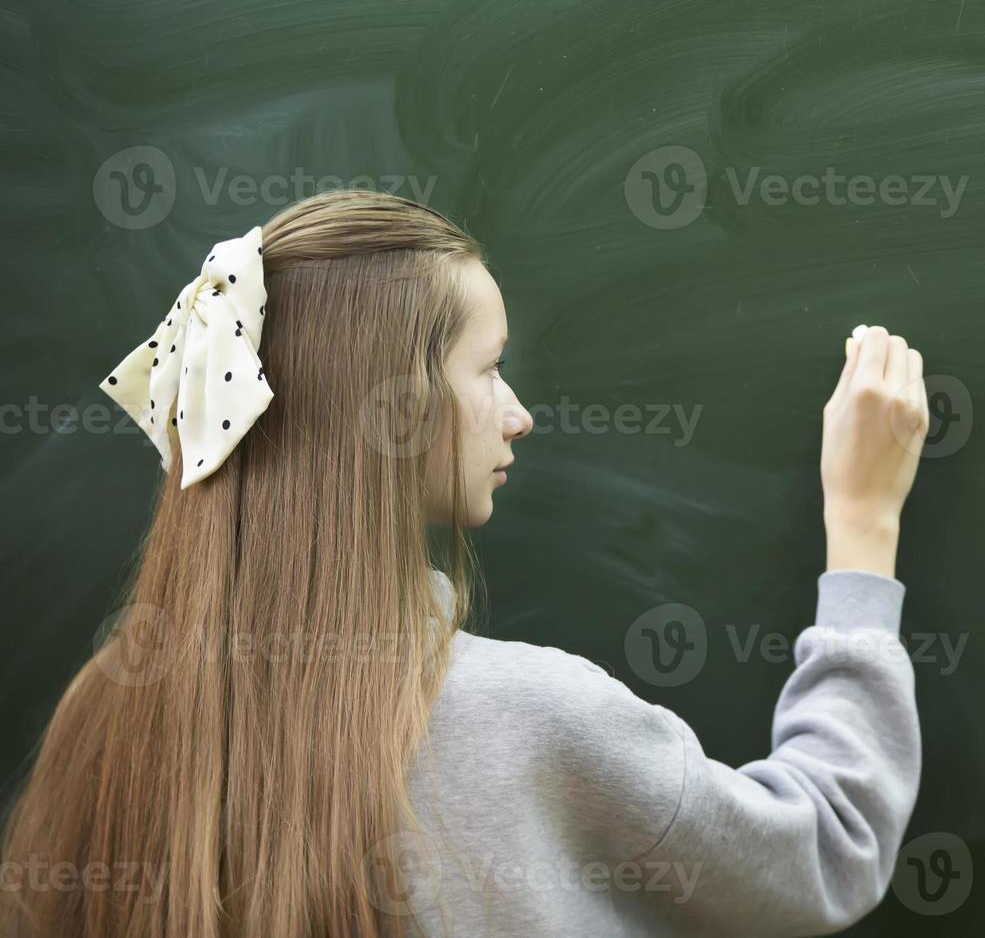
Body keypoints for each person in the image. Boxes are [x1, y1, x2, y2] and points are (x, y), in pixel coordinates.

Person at [0, 190, 930, 937]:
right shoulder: (528, 720)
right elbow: (824, 853)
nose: (517, 413)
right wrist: (861, 524)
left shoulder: (106, 709)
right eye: (488, 370)